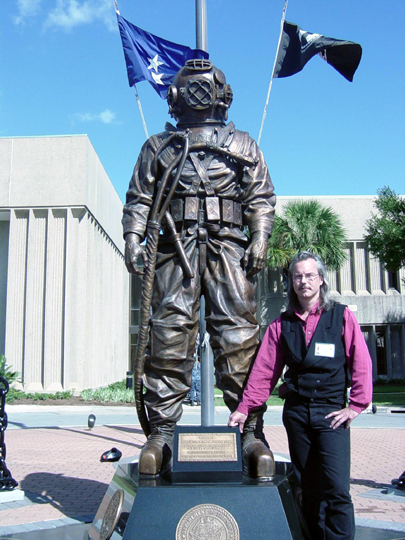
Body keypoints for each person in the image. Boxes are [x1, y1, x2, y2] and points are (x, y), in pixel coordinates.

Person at [123, 59, 276, 477]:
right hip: (176, 250)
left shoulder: (244, 144)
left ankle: (252, 431)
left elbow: (260, 198)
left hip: (229, 250)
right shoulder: (159, 148)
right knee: (169, 334)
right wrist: (133, 239)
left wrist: (260, 236)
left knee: (238, 337)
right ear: (175, 97)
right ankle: (160, 432)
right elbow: (139, 198)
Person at [228, 251, 373, 540]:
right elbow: (265, 371)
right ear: (291, 282)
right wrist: (245, 408)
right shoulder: (281, 325)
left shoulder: (341, 316)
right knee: (308, 487)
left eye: (309, 275)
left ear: (321, 280)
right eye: (297, 276)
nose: (303, 281)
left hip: (331, 414)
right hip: (296, 413)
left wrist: (355, 406)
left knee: (336, 489)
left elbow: (361, 362)